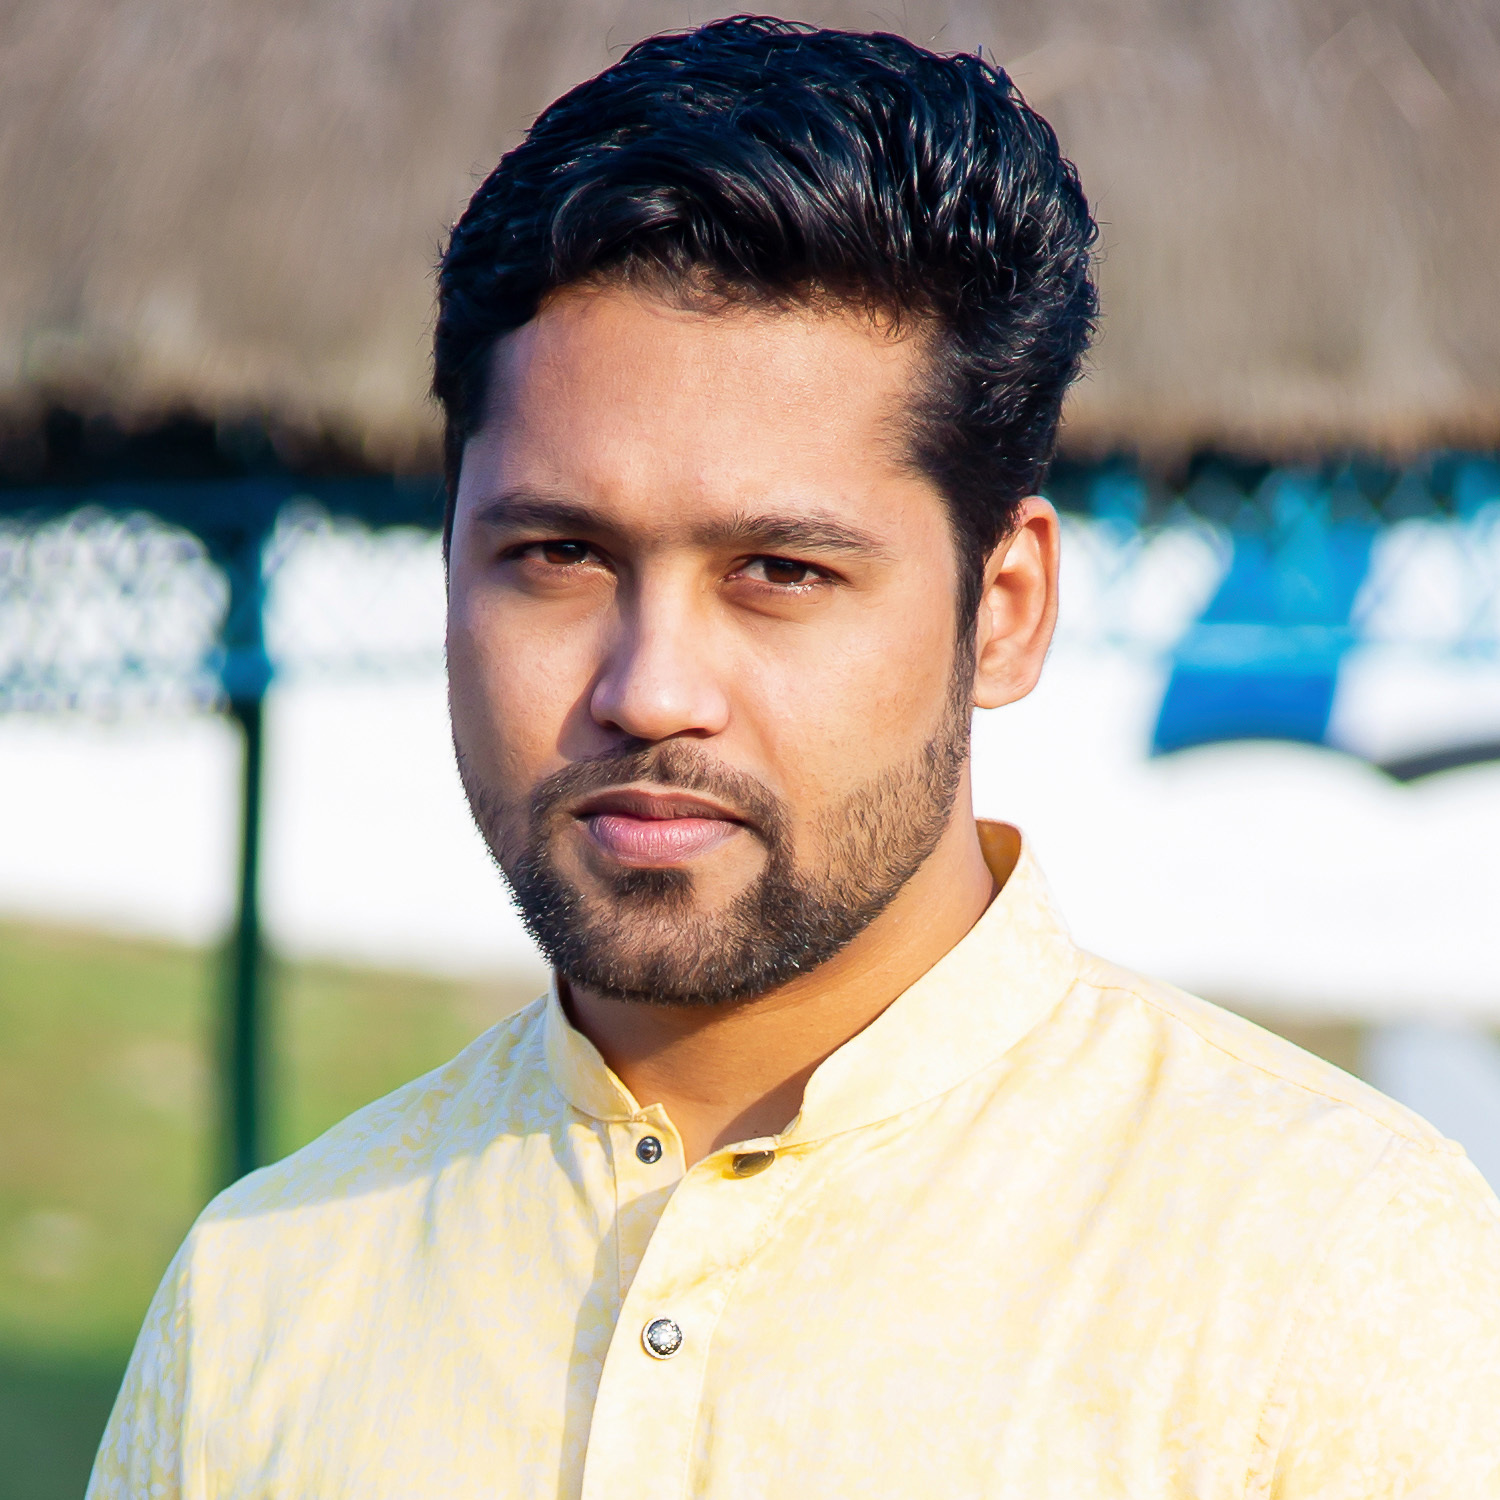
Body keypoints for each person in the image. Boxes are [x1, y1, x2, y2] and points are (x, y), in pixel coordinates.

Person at [91, 16, 1500, 1498]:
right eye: (559, 555)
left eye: (779, 570)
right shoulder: (264, 1297)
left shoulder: (1331, 1274)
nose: (650, 691)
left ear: (1003, 610)